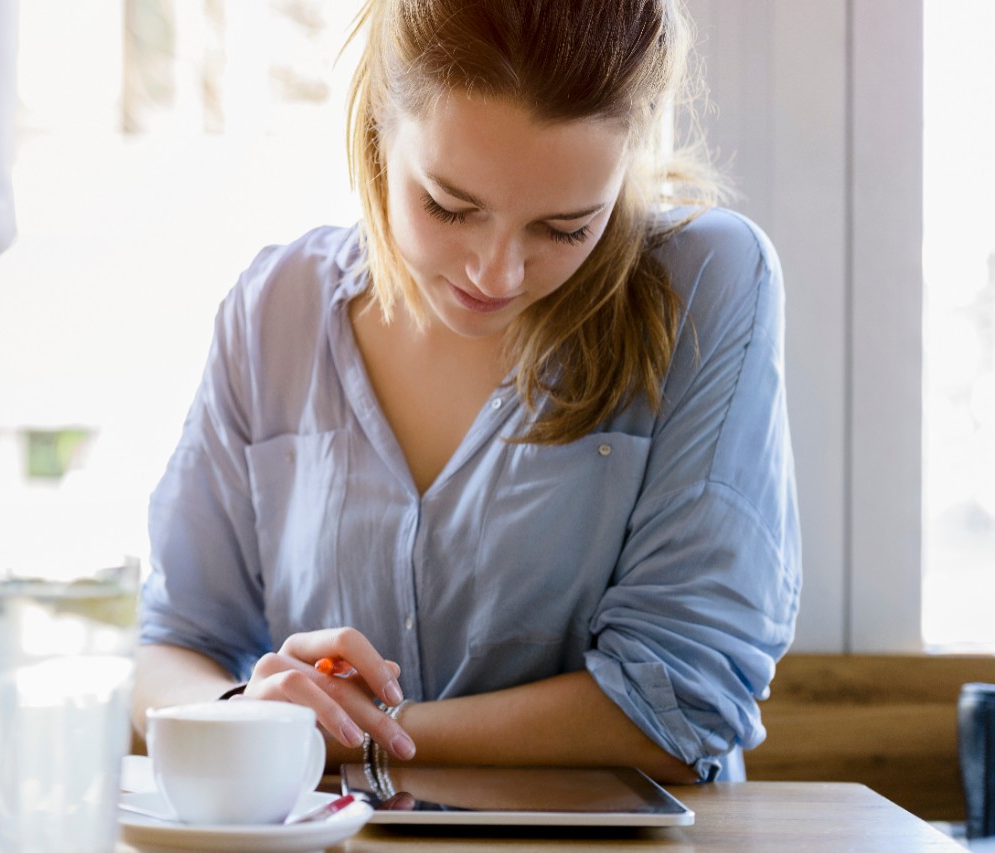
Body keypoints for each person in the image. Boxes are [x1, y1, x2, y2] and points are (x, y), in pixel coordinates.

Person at [132, 0, 800, 785]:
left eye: (565, 228)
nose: (496, 273)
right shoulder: (275, 308)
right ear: (380, 121)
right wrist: (246, 707)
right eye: (450, 206)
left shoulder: (709, 284)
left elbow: (682, 707)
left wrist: (350, 733)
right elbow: (167, 647)